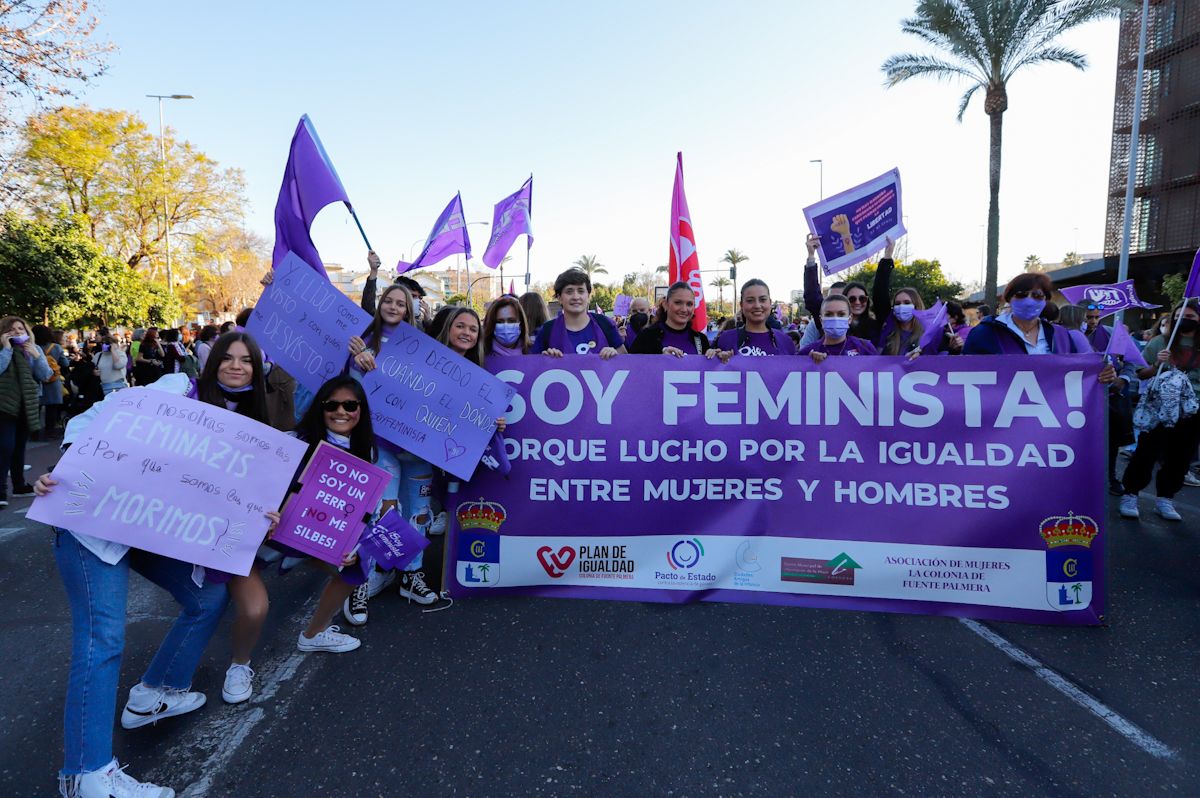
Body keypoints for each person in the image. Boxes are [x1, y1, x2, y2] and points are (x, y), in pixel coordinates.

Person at [37, 367, 234, 798]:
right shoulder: (172, 390)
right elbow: (90, 422)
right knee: (102, 639)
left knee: (207, 595)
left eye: (249, 363)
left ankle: (154, 695)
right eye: (229, 358)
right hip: (91, 520)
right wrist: (64, 464)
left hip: (144, 525)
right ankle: (88, 777)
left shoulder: (253, 431)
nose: (237, 368)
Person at [346, 282, 440, 611]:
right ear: (381, 303)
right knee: (382, 514)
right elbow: (351, 394)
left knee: (417, 515)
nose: (395, 307)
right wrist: (356, 360)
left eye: (402, 304)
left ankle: (411, 576)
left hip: (418, 450)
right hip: (381, 444)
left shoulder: (424, 347)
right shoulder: (361, 342)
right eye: (390, 300)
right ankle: (365, 578)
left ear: (410, 311)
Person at [1119, 299, 1200, 522]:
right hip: (1159, 409)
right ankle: (1130, 494)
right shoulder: (1161, 342)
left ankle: (1166, 499)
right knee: (1146, 453)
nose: (1184, 320)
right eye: (1180, 316)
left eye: (1191, 317)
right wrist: (1156, 365)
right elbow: (1140, 373)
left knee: (1180, 458)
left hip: (1191, 412)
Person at [963, 274, 1091, 355]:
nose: (1029, 301)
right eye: (1021, 295)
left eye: (1037, 296)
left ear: (1045, 300)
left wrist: (1103, 374)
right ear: (1009, 298)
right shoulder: (984, 333)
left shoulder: (1060, 335)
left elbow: (1079, 372)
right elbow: (967, 371)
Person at [0, 316, 52, 506]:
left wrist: (36, 357)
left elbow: (46, 375)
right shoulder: (3, 350)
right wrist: (6, 349)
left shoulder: (34, 349)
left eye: (20, 329)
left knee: (19, 446)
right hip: (5, 404)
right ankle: (1, 491)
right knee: (5, 446)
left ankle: (19, 485)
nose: (17, 332)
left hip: (28, 404)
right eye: (12, 329)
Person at [532, 269, 625, 358]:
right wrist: (545, 360)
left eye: (581, 291)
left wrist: (615, 356)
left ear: (588, 296)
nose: (576, 297)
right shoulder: (547, 330)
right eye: (569, 291)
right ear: (559, 298)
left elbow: (627, 362)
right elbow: (533, 368)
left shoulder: (605, 324)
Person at [708, 279, 796, 359]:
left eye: (762, 299)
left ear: (770, 303)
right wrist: (714, 357)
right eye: (750, 300)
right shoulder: (726, 338)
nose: (757, 305)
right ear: (742, 305)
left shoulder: (785, 341)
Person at [629, 282, 708, 356]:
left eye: (689, 304)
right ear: (665, 305)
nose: (684, 309)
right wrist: (661, 356)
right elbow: (631, 365)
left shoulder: (701, 340)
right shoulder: (646, 336)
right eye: (678, 303)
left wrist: (716, 357)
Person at [359, 251, 431, 330]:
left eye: (419, 298)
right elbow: (368, 306)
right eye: (388, 301)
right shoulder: (382, 322)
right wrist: (374, 271)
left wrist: (428, 322)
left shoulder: (419, 326)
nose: (393, 307)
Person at [799, 294, 879, 361]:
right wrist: (808, 363)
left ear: (849, 319)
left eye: (841, 314)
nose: (835, 318)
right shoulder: (807, 353)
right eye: (828, 314)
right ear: (821, 320)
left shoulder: (865, 347)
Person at [33, 324, 69, 436]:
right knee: (51, 409)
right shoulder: (56, 347)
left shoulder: (31, 347)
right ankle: (50, 431)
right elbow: (65, 363)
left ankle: (34, 433)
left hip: (36, 380)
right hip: (53, 381)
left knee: (35, 408)